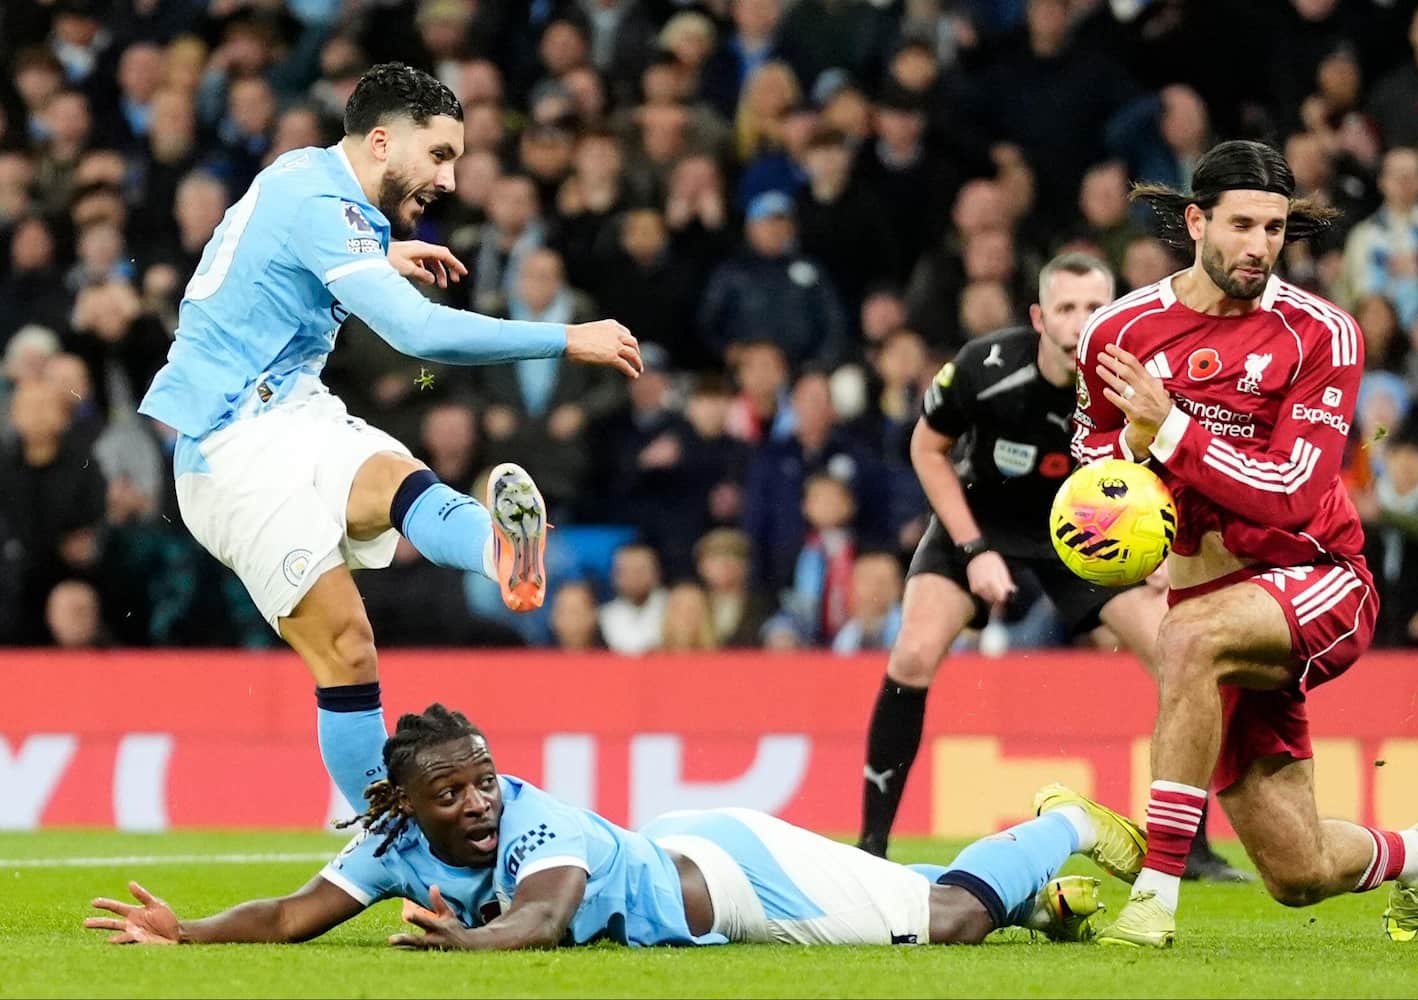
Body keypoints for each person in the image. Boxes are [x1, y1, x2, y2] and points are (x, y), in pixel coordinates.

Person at [132, 63, 643, 816]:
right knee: (349, 650)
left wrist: (375, 258)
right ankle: (382, 838)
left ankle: (503, 555)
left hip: (295, 410)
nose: (450, 177)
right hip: (227, 448)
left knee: (401, 482)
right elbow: (419, 331)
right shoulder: (318, 200)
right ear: (380, 142)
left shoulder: (312, 183)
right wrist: (570, 337)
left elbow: (252, 257)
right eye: (439, 155)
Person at [1072, 140, 1418, 948]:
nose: (1259, 247)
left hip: (1318, 576)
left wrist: (1169, 428)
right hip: (1206, 594)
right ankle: (1414, 855)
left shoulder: (1322, 334)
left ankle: (1154, 898)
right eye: (1242, 225)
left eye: (1275, 229)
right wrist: (1119, 483)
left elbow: (1294, 495)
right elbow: (1094, 464)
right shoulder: (1117, 331)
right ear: (1197, 221)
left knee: (1187, 639)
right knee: (1296, 871)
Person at [84, 704, 1144, 950]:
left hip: (730, 876)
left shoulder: (540, 825)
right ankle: (1050, 906)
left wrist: (466, 941)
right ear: (407, 806)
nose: (479, 801)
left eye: (483, 780)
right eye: (452, 794)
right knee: (921, 902)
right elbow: (291, 912)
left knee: (946, 921)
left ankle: (1056, 824)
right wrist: (188, 933)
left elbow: (542, 921)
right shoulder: (392, 839)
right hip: (680, 850)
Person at [857, 251, 1247, 883]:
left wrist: (1166, 552)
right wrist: (974, 550)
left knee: (1182, 658)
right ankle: (872, 848)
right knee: (912, 653)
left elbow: (1181, 462)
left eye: (1095, 308)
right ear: (1039, 317)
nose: (1080, 322)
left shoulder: (1148, 381)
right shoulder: (984, 369)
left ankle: (1190, 850)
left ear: (1117, 312)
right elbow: (927, 451)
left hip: (1095, 530)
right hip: (984, 520)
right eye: (1066, 308)